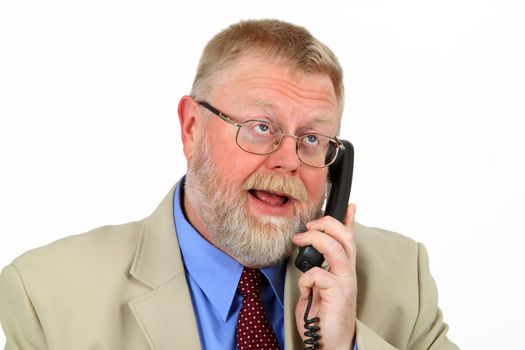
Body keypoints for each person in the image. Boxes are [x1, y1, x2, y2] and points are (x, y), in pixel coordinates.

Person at [0, 19, 459, 349]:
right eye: (261, 127)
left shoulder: (402, 279)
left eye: (313, 138)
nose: (288, 162)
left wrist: (347, 346)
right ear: (192, 129)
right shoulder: (46, 293)